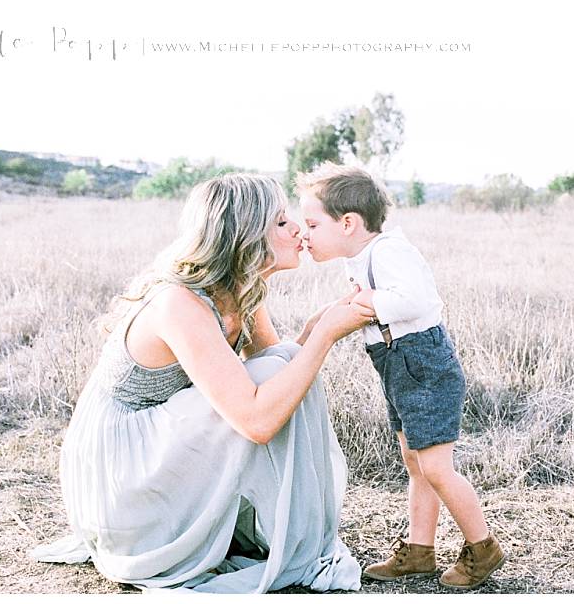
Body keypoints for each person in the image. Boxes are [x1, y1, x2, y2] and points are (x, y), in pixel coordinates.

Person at [29, 173, 375, 593]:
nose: (299, 229)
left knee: (281, 360)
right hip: (124, 471)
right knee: (274, 373)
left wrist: (313, 329)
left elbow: (278, 367)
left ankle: (289, 526)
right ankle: (218, 531)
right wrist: (323, 339)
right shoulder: (181, 303)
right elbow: (256, 421)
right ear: (245, 234)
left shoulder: (242, 289)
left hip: (163, 446)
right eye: (282, 222)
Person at [296, 162, 506, 591]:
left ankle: (483, 548)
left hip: (422, 364)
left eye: (312, 224)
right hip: (397, 364)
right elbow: (350, 301)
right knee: (416, 464)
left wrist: (370, 300)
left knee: (436, 467)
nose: (304, 234)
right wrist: (313, 327)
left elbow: (415, 298)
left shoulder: (390, 251)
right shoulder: (363, 257)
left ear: (349, 223)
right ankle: (419, 551)